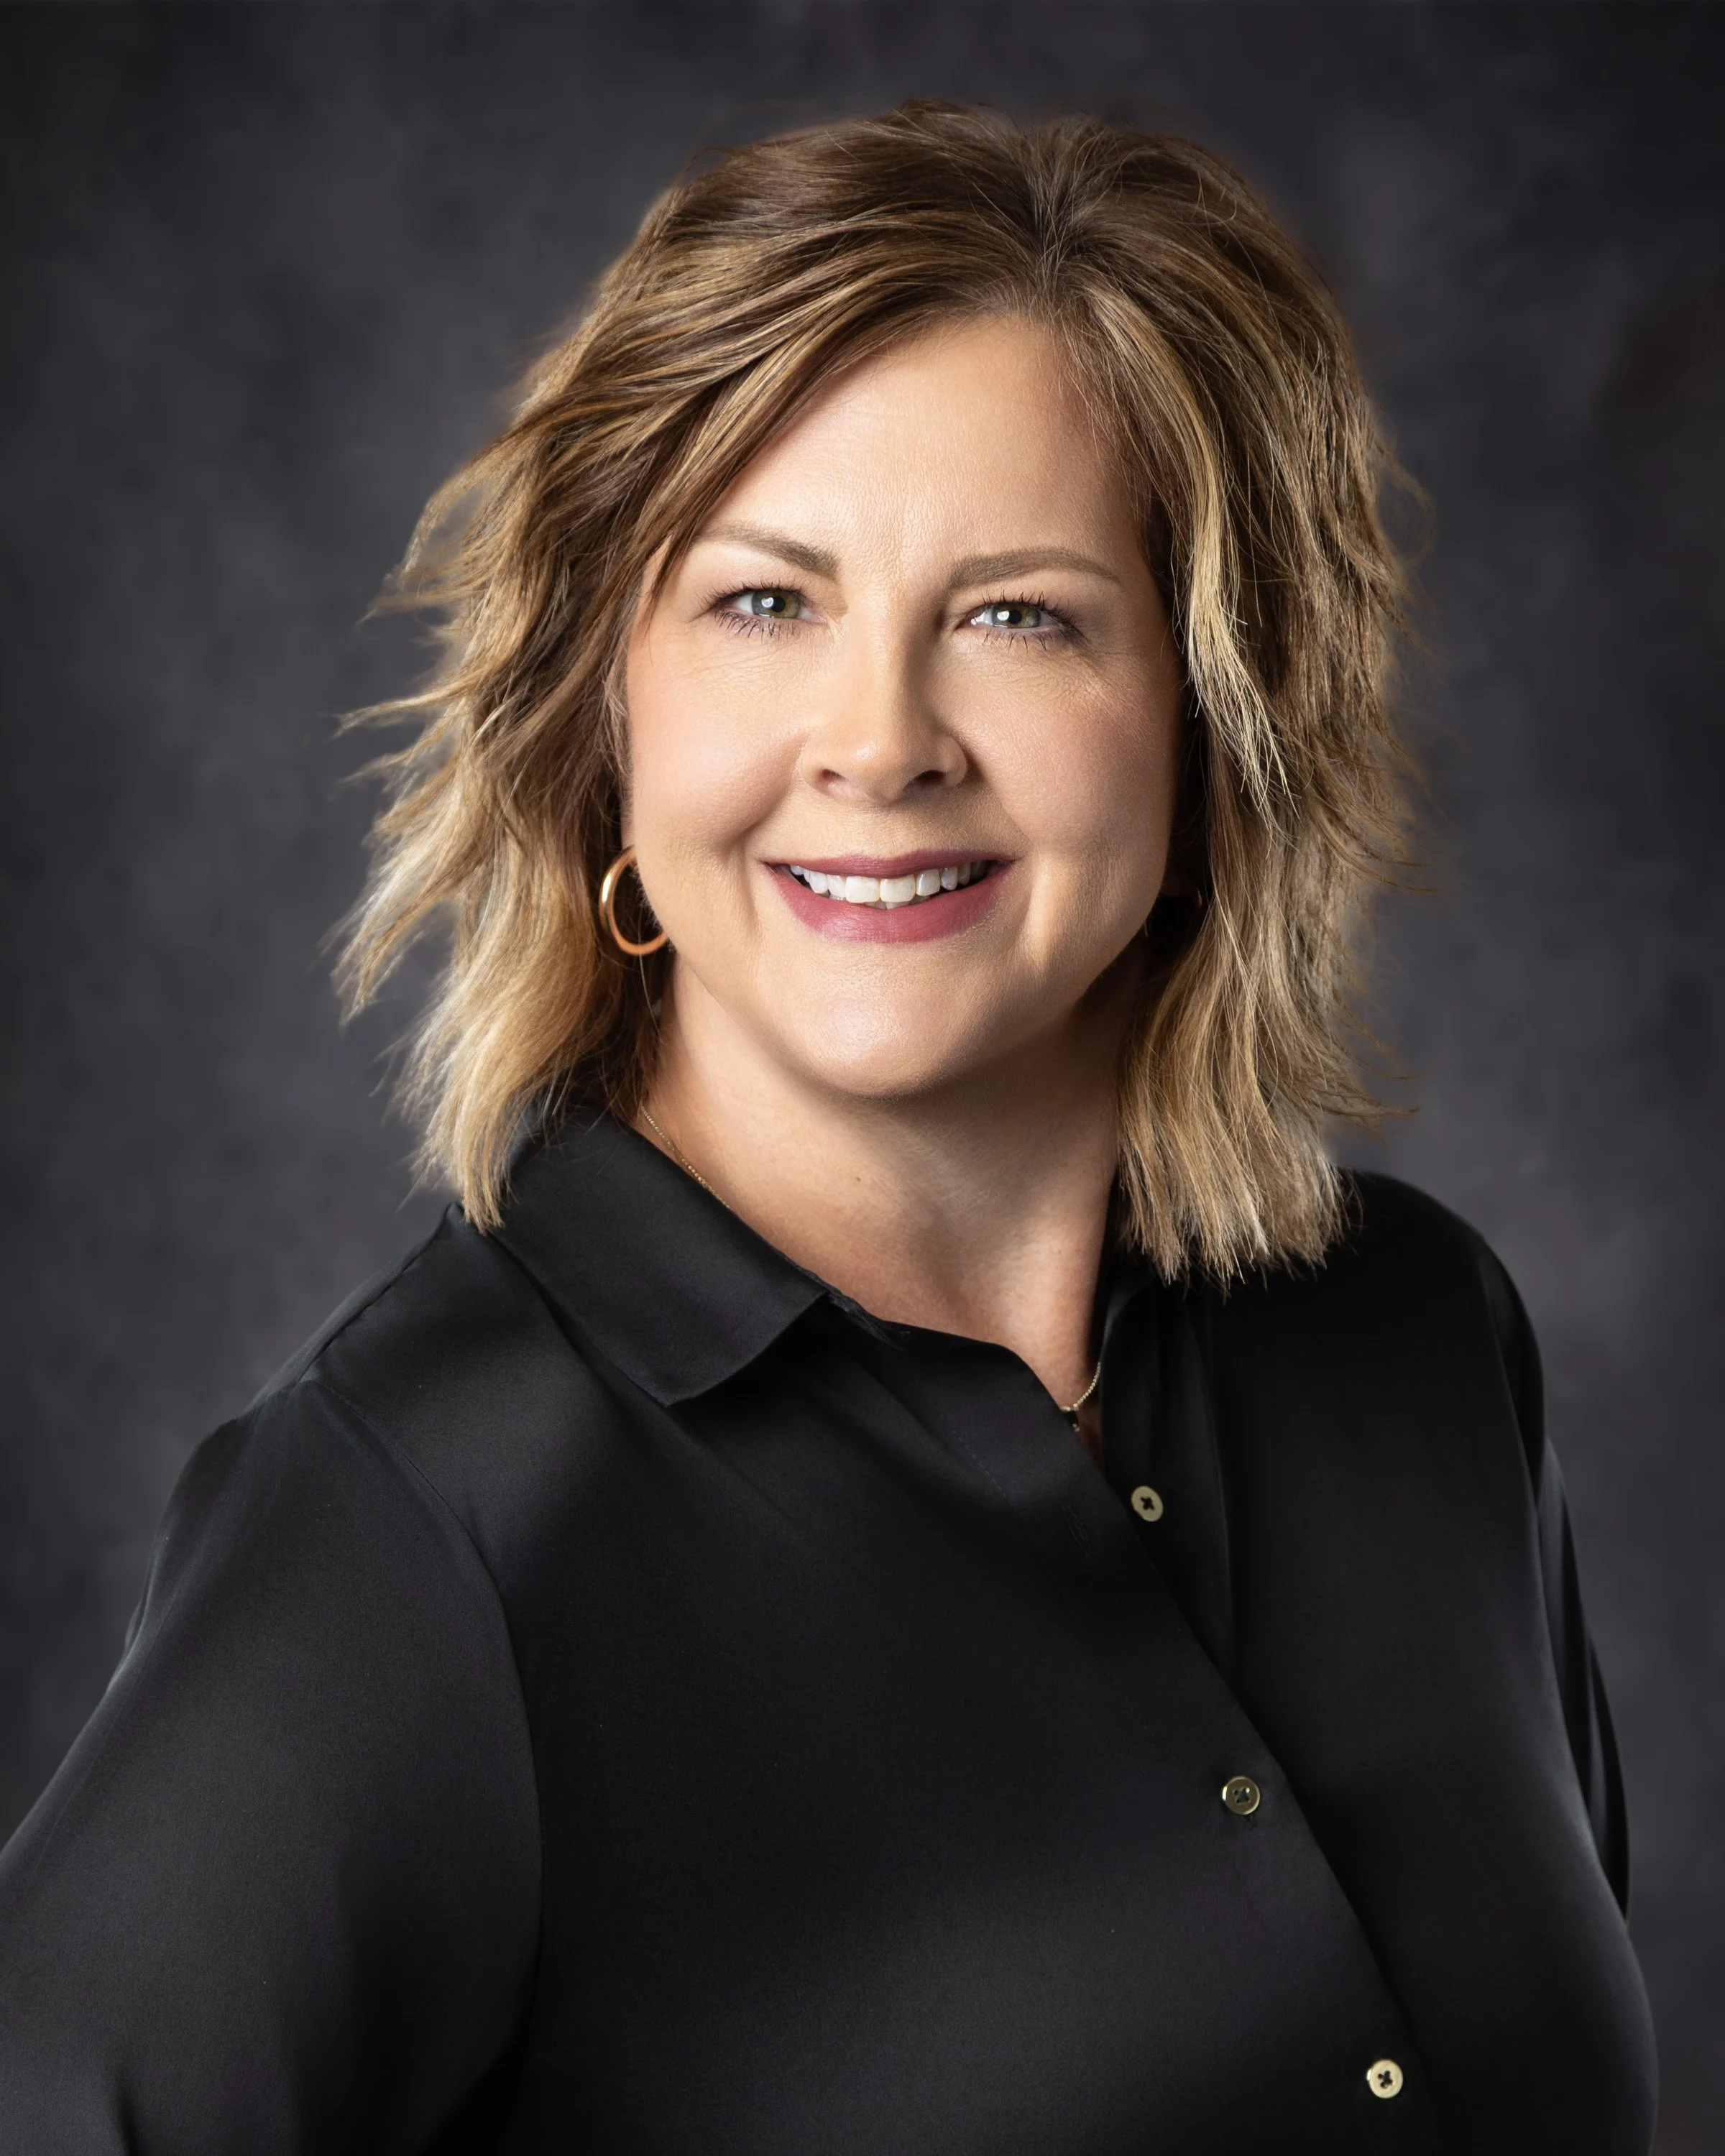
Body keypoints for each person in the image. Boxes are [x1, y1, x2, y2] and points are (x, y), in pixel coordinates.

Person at [0, 102, 1655, 2156]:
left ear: (1217, 712)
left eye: (1022, 613)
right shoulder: (419, 1527)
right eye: (763, 604)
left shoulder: (1414, 1336)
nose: (879, 744)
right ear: (603, 722)